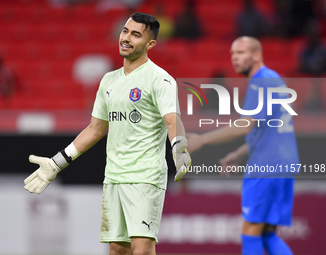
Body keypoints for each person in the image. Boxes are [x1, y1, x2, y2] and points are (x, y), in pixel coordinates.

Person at [24, 12, 191, 255]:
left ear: (150, 44)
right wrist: (57, 163)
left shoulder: (160, 79)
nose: (126, 38)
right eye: (125, 31)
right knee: (117, 250)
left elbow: (172, 119)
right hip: (113, 176)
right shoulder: (108, 81)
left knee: (142, 249)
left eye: (136, 35)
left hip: (145, 177)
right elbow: (95, 129)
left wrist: (179, 145)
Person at [187, 36, 299, 255]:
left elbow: (244, 126)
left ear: (256, 55)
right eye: (232, 54)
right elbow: (268, 130)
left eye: (241, 53)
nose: (234, 58)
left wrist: (202, 139)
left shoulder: (261, 81)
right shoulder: (274, 79)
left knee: (250, 230)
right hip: (283, 165)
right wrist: (239, 152)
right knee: (266, 233)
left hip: (267, 167)